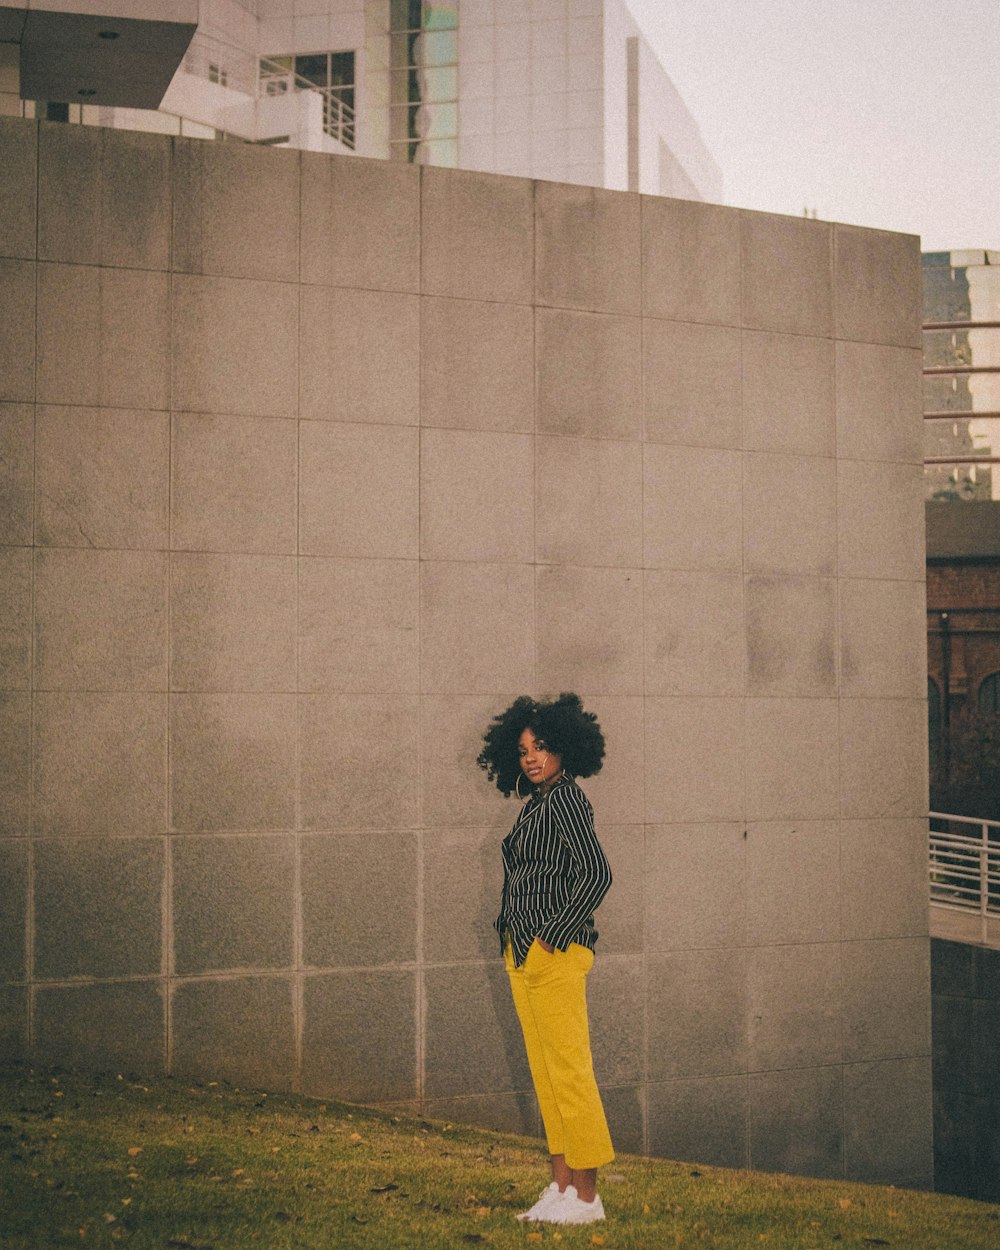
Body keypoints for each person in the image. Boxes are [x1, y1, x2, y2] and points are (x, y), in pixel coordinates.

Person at [476, 693, 614, 1226]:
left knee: (571, 1073)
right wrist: (519, 943)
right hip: (524, 952)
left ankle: (587, 1198)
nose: (531, 757)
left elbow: (597, 873)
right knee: (547, 1075)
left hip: (553, 952)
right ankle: (560, 1187)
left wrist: (552, 937)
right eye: (523, 750)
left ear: (565, 749)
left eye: (542, 747)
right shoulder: (537, 804)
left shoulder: (567, 801)